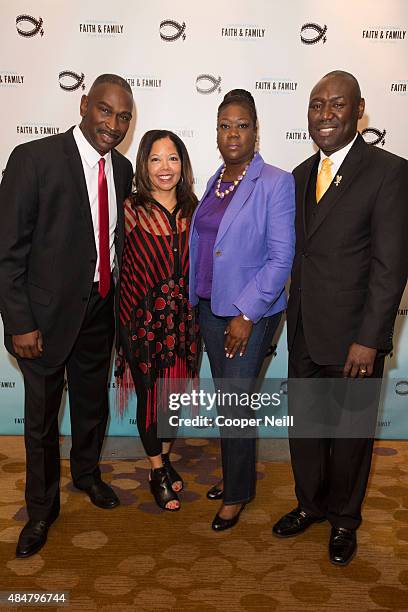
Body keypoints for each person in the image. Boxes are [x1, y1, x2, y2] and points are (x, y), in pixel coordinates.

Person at [273, 71, 408, 565]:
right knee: (305, 428)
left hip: (356, 339)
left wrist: (370, 339)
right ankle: (310, 505)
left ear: (359, 110)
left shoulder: (389, 172)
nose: (325, 114)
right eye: (316, 105)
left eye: (336, 105)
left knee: (351, 436)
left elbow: (390, 266)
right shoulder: (299, 174)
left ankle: (344, 521)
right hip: (305, 330)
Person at [0, 74, 134, 558]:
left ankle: (86, 475)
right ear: (83, 104)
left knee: (91, 406)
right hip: (42, 320)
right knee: (39, 422)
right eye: (105, 111)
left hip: (100, 313)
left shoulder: (121, 169)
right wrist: (19, 322)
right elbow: (8, 251)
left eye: (123, 117)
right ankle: (40, 511)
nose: (113, 125)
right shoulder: (33, 160)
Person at [189, 89, 295, 531]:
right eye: (225, 125)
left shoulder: (274, 181)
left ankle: (235, 495)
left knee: (234, 402)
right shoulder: (214, 183)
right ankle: (238, 477)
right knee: (230, 400)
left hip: (249, 314)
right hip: (210, 309)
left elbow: (281, 257)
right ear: (216, 132)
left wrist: (247, 314)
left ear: (256, 130)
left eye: (242, 125)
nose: (233, 133)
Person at [117, 130, 199, 511]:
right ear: (144, 166)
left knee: (175, 399)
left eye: (172, 158)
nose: (165, 167)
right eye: (155, 159)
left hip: (183, 324)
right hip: (141, 322)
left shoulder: (194, 208)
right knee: (151, 398)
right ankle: (155, 471)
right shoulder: (130, 208)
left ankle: (164, 461)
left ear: (183, 164)